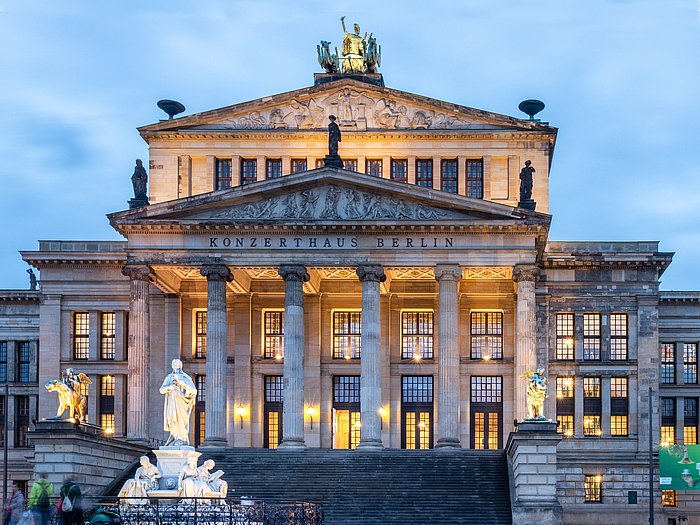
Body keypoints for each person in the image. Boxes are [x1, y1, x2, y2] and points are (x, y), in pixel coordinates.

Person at [159, 359, 197, 446]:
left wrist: (182, 384)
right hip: (172, 402)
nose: (175, 365)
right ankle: (175, 438)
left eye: (177, 364)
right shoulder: (169, 377)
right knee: (172, 419)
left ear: (180, 365)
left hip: (182, 402)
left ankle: (181, 439)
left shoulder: (185, 377)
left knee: (180, 420)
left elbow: (193, 391)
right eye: (174, 364)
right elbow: (161, 390)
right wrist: (170, 387)